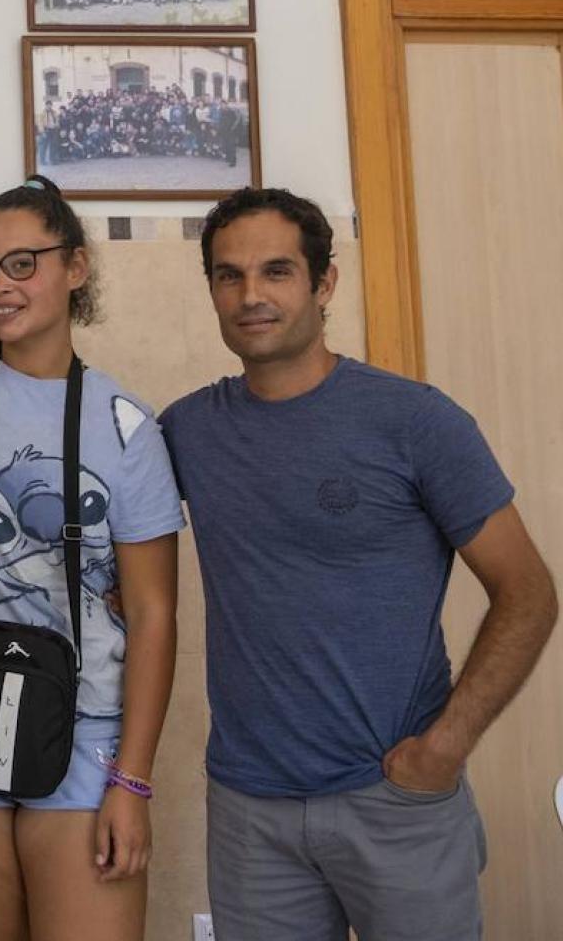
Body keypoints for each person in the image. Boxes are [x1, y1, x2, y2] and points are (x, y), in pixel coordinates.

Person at [162, 188, 556, 941]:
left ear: (325, 283)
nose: (251, 295)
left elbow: (528, 592)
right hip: (250, 814)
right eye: (228, 276)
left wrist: (445, 747)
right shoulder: (188, 430)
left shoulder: (415, 421)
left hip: (397, 801)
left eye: (277, 271)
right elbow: (93, 476)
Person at [0, 176, 182, 941]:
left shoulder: (125, 428)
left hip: (84, 731)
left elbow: (154, 612)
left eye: (23, 263)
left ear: (75, 268)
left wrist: (132, 779)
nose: (0, 285)